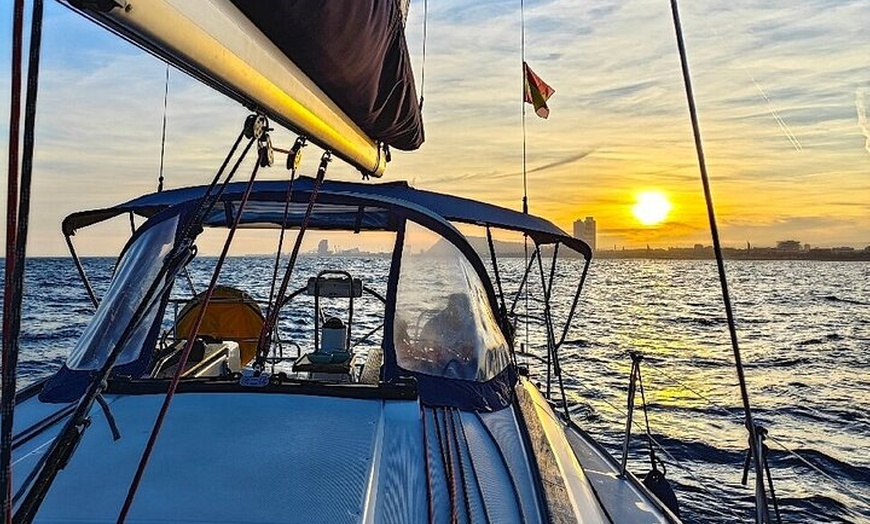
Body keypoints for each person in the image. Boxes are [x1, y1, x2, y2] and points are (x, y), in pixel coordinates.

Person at [418, 293, 478, 379]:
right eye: (452, 308)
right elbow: (420, 347)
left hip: (463, 374)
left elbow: (478, 360)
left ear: (466, 310)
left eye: (458, 310)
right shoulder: (434, 324)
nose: (454, 314)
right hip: (437, 369)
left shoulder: (475, 329)